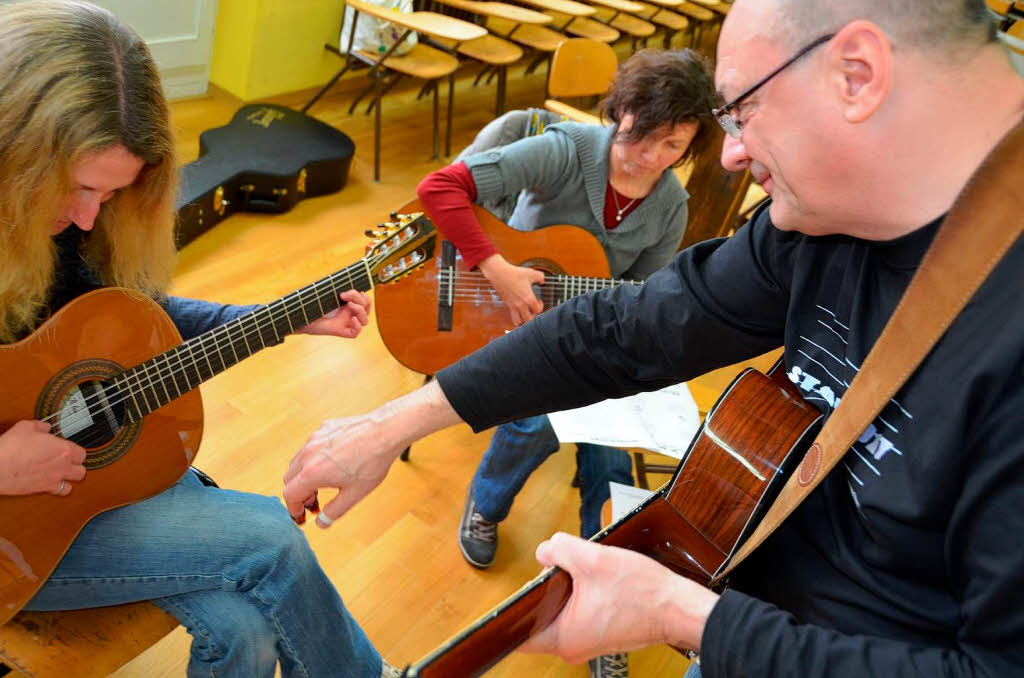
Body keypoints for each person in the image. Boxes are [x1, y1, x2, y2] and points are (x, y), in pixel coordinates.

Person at [284, 0, 1024, 675]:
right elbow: (631, 328)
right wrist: (394, 422)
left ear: (856, 77)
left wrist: (681, 613)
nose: (730, 155)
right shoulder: (827, 213)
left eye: (742, 111)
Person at [0, 2, 394, 676]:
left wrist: (275, 319)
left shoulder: (86, 224)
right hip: (17, 539)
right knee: (270, 538)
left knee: (248, 632)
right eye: (76, 188)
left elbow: (132, 320)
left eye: (112, 195)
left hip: (98, 483)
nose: (88, 216)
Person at [415, 49, 716, 602]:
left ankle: (597, 575)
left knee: (611, 449)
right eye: (641, 134)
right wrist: (497, 268)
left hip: (587, 331)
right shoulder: (566, 150)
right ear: (619, 110)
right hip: (502, 313)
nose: (650, 157)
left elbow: (644, 296)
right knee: (534, 423)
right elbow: (440, 189)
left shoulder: (671, 204)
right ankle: (486, 503)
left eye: (673, 145)